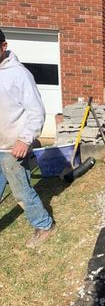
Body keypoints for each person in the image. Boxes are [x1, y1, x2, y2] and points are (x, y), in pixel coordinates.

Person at [0, 29, 56, 248]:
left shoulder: (19, 74)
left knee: (21, 191)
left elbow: (36, 111)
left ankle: (44, 225)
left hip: (13, 147)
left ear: (3, 46)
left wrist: (25, 139)